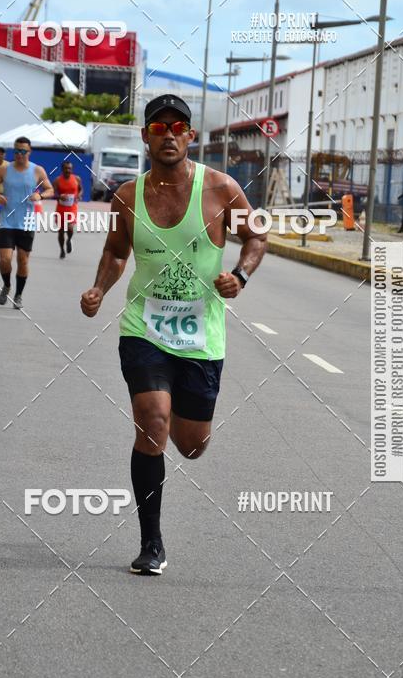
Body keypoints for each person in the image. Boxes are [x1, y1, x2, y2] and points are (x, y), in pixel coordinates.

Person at [80, 94, 267, 575]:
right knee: (152, 419)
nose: (169, 135)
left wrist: (240, 275)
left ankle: (187, 431)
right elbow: (116, 251)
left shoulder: (221, 188)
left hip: (202, 335)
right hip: (143, 327)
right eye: (159, 127)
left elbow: (257, 235)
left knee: (191, 444)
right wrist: (100, 288)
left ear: (190, 136)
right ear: (146, 137)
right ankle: (152, 543)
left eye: (178, 127)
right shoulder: (127, 196)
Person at [0, 136, 54, 309]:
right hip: (7, 221)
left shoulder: (37, 170)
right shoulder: (5, 170)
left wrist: (40, 195)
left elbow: (50, 189)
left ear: (29, 152)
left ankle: (18, 295)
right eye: (16, 150)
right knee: (5, 259)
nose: (19, 154)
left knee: (23, 261)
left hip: (27, 223)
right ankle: (7, 285)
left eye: (23, 151)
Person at [52, 159, 82, 259]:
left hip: (72, 207)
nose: (68, 170)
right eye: (66, 168)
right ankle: (62, 250)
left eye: (69, 168)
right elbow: (53, 193)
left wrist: (79, 195)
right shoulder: (57, 180)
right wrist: (59, 196)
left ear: (72, 169)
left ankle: (69, 240)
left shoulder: (77, 179)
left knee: (70, 227)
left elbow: (81, 189)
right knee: (61, 231)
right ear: (62, 169)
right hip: (61, 208)